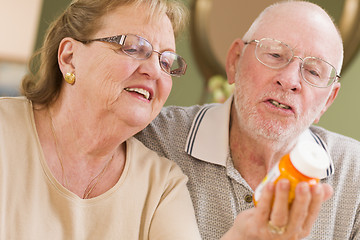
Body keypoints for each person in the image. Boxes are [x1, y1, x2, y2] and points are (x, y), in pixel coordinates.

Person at [136, 1, 360, 239]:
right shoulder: (152, 140)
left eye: (314, 71)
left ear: (328, 100)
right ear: (235, 61)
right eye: (275, 55)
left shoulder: (355, 174)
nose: (290, 80)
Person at [0, 0, 202, 239]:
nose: (156, 71)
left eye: (166, 62)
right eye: (133, 48)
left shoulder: (162, 187)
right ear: (69, 57)